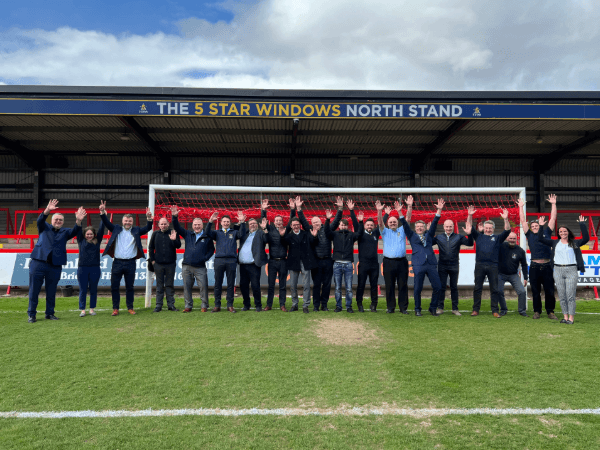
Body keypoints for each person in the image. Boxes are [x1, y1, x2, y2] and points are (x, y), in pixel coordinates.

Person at [28, 200, 85, 323]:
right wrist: (47, 210)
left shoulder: (65, 232)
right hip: (38, 263)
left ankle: (49, 313)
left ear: (63, 222)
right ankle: (31, 314)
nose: (58, 221)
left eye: (60, 220)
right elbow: (40, 220)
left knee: (51, 290)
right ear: (51, 220)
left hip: (55, 266)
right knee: (34, 290)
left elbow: (75, 230)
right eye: (56, 219)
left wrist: (78, 220)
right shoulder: (44, 227)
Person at [100, 201, 153, 316]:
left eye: (129, 221)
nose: (127, 222)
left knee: (130, 287)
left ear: (132, 222)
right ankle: (115, 308)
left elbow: (148, 228)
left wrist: (149, 218)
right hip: (117, 262)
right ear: (122, 221)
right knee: (114, 286)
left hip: (131, 263)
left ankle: (130, 307)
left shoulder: (136, 230)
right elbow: (106, 222)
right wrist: (102, 212)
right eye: (126, 221)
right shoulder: (116, 228)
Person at [537, 216, 589, 324]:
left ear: (568, 232)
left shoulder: (575, 243)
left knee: (570, 295)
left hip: (571, 269)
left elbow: (586, 238)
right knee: (561, 295)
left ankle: (571, 318)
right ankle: (565, 317)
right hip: (558, 270)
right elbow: (540, 239)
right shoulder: (555, 243)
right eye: (560, 231)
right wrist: (541, 226)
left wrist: (582, 224)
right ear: (558, 233)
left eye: (565, 231)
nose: (563, 233)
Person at [400, 196, 444, 316]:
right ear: (415, 228)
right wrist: (400, 212)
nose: (420, 228)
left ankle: (433, 308)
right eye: (418, 226)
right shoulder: (412, 236)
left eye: (422, 226)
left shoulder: (429, 236)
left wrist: (439, 210)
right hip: (418, 264)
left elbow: (434, 223)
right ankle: (417, 309)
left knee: (438, 287)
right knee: (417, 289)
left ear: (425, 228)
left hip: (431, 264)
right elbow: (404, 224)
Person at [296, 196, 342, 311]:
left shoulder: (327, 229)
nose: (315, 223)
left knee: (326, 284)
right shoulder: (310, 231)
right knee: (316, 284)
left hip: (327, 260)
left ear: (321, 222)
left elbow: (336, 222)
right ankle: (316, 305)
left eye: (317, 222)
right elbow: (303, 221)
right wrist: (299, 209)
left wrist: (340, 209)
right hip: (316, 261)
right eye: (313, 222)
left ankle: (324, 305)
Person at [518, 195, 559, 320]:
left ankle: (550, 312)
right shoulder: (529, 234)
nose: (535, 227)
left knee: (549, 291)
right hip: (535, 266)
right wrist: (520, 207)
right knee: (535, 291)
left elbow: (553, 218)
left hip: (547, 266)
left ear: (540, 226)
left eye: (537, 226)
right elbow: (523, 221)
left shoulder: (546, 232)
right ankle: (537, 311)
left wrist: (553, 204)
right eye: (534, 226)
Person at [171, 206, 214, 313]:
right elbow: (176, 227)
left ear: (202, 225)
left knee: (203, 286)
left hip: (200, 267)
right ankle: (188, 306)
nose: (197, 226)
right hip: (187, 266)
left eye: (199, 225)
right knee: (187, 287)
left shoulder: (207, 236)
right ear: (192, 226)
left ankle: (204, 305)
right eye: (195, 225)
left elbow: (211, 250)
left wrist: (205, 258)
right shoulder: (187, 234)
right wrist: (175, 216)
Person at [468, 209, 511, 317]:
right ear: (484, 228)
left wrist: (506, 218)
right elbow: (469, 226)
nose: (488, 230)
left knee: (494, 289)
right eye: (486, 228)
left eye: (489, 228)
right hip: (480, 265)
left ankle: (495, 311)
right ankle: (475, 310)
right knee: (477, 288)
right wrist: (470, 215)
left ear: (493, 229)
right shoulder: (479, 236)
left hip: (493, 266)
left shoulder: (497, 238)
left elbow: (507, 230)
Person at [434, 206, 475, 316]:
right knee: (441, 287)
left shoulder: (459, 237)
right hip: (442, 265)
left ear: (453, 226)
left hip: (454, 265)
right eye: (447, 226)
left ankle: (455, 309)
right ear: (443, 227)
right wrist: (428, 231)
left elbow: (470, 244)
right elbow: (427, 242)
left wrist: (469, 234)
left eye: (450, 226)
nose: (448, 228)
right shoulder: (438, 237)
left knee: (454, 287)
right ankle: (440, 308)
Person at [325, 199, 363, 313]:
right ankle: (338, 306)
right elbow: (327, 231)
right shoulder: (334, 234)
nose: (343, 226)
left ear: (347, 226)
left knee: (349, 288)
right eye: (342, 224)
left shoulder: (351, 235)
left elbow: (360, 233)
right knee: (337, 288)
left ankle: (349, 306)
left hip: (347, 264)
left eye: (345, 225)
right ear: (339, 225)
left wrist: (360, 222)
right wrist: (327, 219)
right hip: (336, 263)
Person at [206, 211, 246, 313]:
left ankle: (230, 305)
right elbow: (207, 233)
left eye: (228, 221)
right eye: (224, 221)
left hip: (231, 261)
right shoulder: (217, 233)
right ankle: (217, 305)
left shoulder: (234, 232)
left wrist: (242, 222)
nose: (226, 223)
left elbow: (242, 234)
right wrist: (210, 221)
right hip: (219, 260)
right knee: (217, 284)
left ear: (230, 222)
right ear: (221, 223)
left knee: (230, 283)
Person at [261, 199, 295, 311]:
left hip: (283, 262)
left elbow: (292, 221)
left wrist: (292, 209)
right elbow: (264, 221)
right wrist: (264, 210)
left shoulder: (286, 230)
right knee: (271, 285)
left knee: (283, 285)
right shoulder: (270, 229)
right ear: (274, 222)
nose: (279, 222)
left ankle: (282, 305)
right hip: (272, 261)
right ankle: (269, 305)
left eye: (280, 220)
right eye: (277, 220)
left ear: (282, 222)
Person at [376, 199, 409, 314]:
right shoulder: (384, 231)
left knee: (403, 285)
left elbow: (407, 219)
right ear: (388, 224)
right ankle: (390, 307)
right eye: (390, 222)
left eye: (394, 222)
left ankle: (403, 308)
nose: (393, 223)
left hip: (402, 262)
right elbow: (380, 222)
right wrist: (380, 211)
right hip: (388, 262)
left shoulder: (402, 229)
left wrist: (403, 210)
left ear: (398, 222)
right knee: (389, 286)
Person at [283, 217, 318, 313]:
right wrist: (283, 233)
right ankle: (295, 304)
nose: (296, 226)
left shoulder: (306, 234)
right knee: (293, 285)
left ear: (300, 225)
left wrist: (314, 236)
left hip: (305, 262)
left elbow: (314, 242)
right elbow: (282, 242)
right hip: (293, 262)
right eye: (294, 225)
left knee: (306, 285)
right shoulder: (288, 236)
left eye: (297, 224)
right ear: (291, 226)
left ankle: (305, 305)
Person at [148, 217, 181, 312]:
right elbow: (150, 248)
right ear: (158, 225)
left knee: (169, 285)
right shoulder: (155, 234)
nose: (163, 225)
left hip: (170, 264)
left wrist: (174, 240)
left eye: (165, 224)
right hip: (158, 264)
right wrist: (153, 260)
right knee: (159, 285)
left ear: (168, 224)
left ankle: (171, 305)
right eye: (161, 224)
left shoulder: (173, 233)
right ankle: (158, 305)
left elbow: (178, 245)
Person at [238, 217, 269, 312]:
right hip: (243, 265)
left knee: (255, 286)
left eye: (254, 223)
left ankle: (258, 305)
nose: (252, 225)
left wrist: (265, 228)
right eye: (250, 223)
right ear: (248, 225)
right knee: (243, 286)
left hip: (254, 265)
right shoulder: (244, 233)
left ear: (257, 225)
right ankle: (246, 305)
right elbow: (237, 231)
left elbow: (267, 239)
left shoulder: (260, 233)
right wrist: (241, 222)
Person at [77, 219, 105, 317]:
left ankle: (92, 309)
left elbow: (102, 229)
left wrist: (102, 215)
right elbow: (78, 229)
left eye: (91, 234)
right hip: (82, 269)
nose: (89, 236)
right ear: (84, 235)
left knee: (93, 289)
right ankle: (83, 310)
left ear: (94, 234)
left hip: (95, 269)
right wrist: (79, 220)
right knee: (83, 290)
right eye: (87, 234)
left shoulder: (97, 241)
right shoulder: (80, 241)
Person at [497, 232, 529, 317]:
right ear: (507, 238)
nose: (512, 240)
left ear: (517, 239)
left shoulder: (520, 251)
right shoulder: (500, 246)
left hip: (513, 275)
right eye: (510, 238)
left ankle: (522, 310)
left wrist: (525, 277)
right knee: (498, 291)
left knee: (522, 291)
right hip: (500, 274)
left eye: (514, 238)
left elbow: (524, 265)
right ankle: (503, 309)